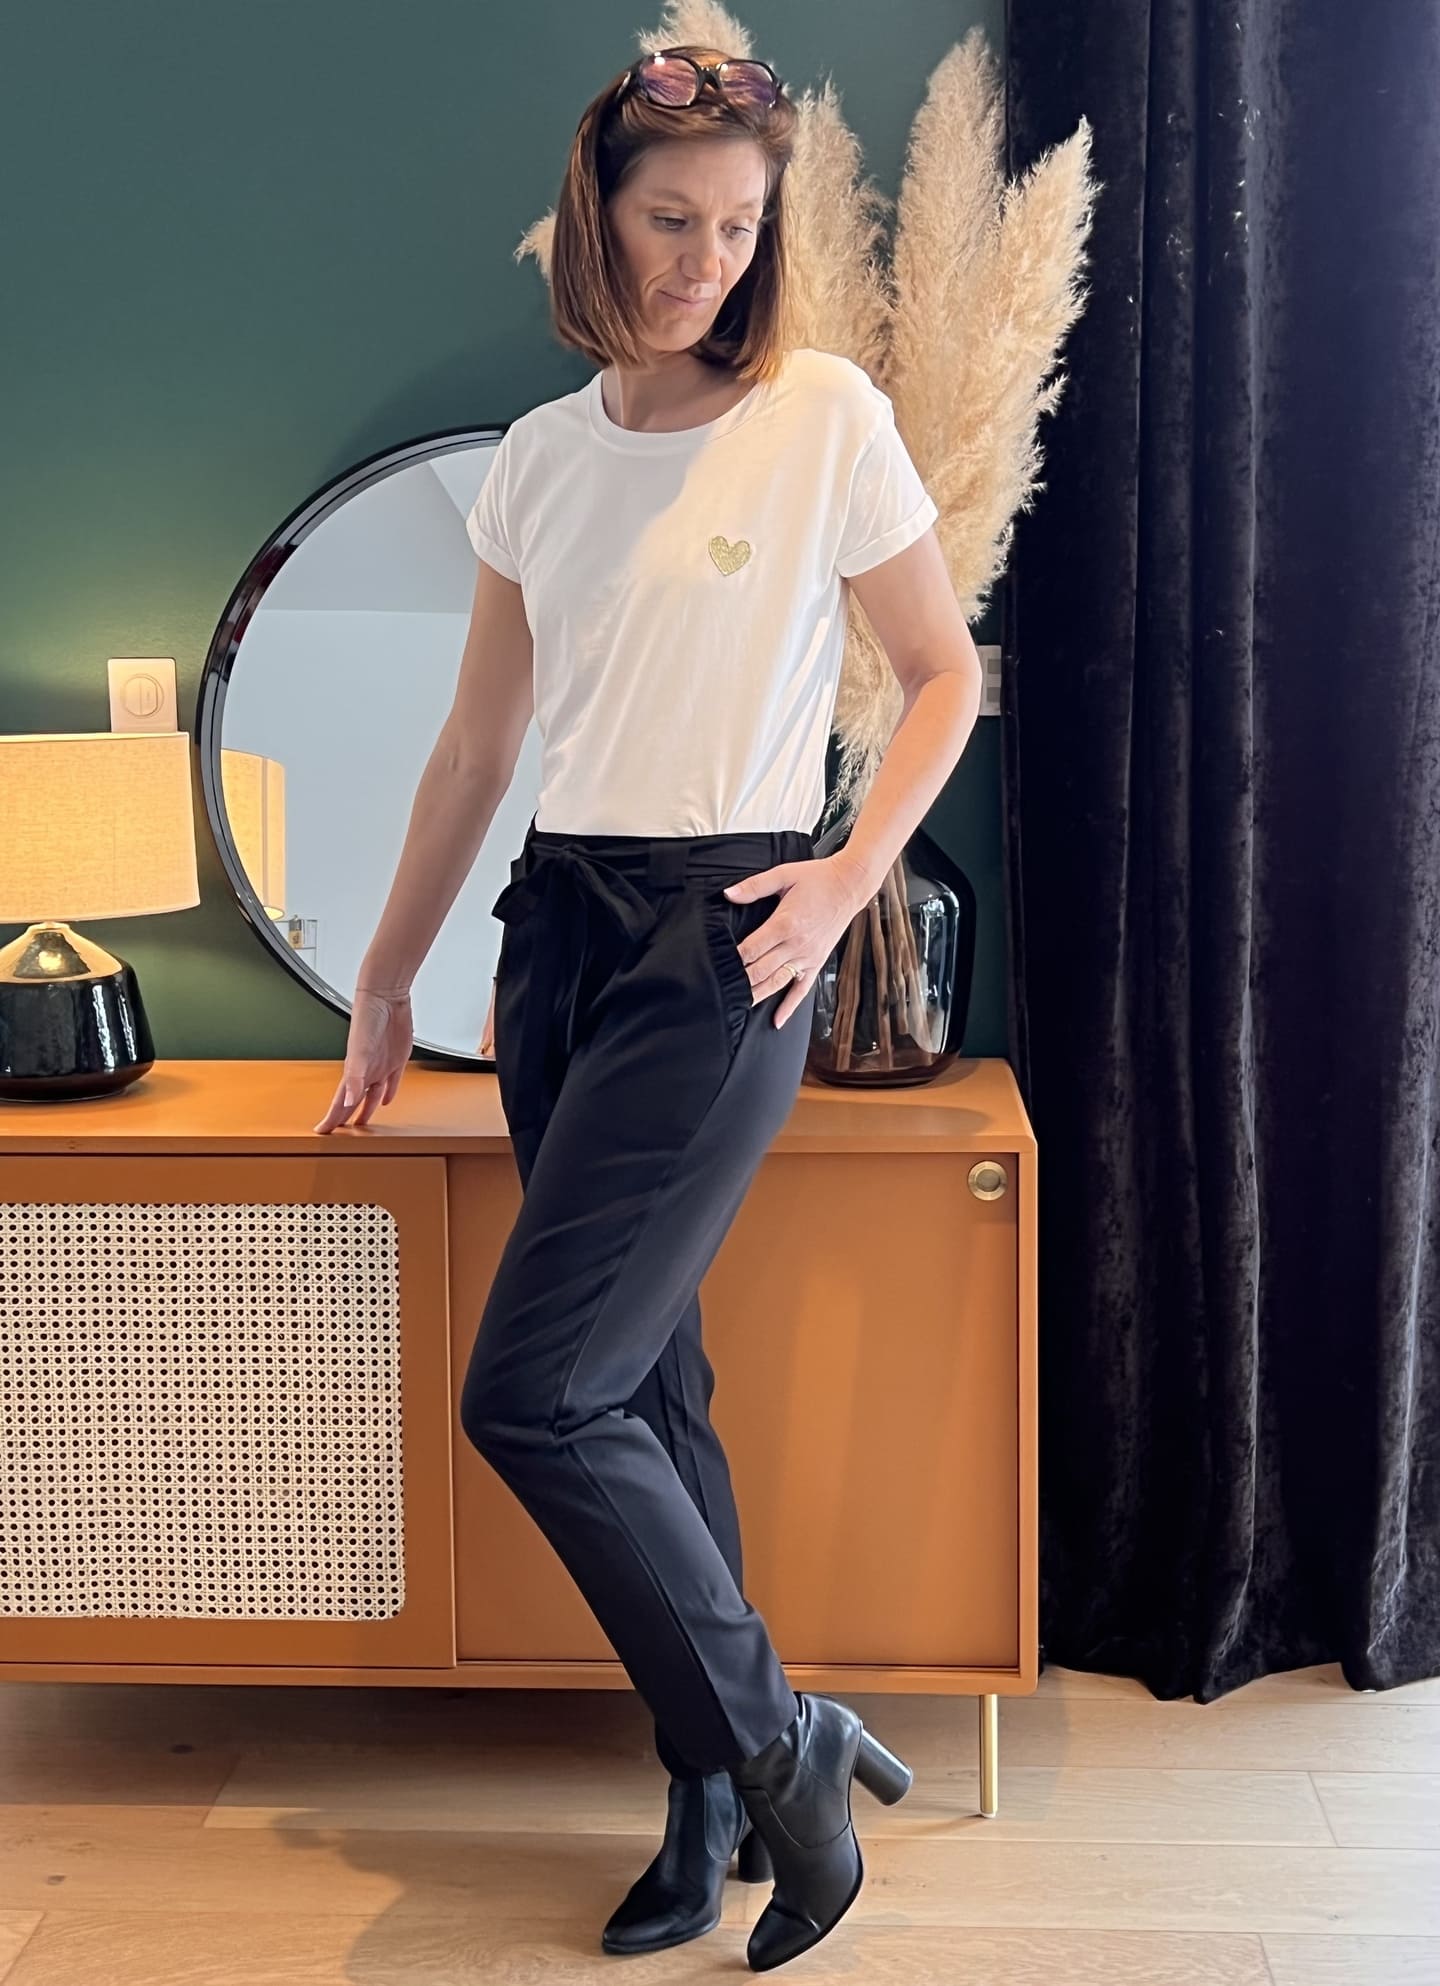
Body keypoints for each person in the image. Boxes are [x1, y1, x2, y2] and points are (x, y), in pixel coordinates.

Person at [314, 42, 982, 1972]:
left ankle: (780, 1739)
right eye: (671, 218)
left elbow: (942, 672)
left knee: (534, 1391)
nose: (706, 260)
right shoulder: (539, 461)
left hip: (729, 935)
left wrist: (846, 879)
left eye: (740, 227)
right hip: (559, 936)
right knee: (649, 1381)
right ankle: (712, 1788)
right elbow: (476, 747)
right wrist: (384, 976)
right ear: (595, 215)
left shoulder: (821, 416)